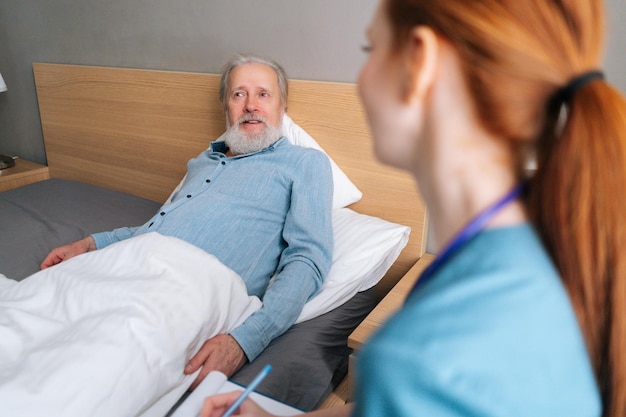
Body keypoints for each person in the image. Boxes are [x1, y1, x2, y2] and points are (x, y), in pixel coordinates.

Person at [201, 1, 625, 416]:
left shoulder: (425, 356)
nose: (363, 77)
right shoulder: (525, 254)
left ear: (418, 66)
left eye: (371, 51)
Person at [40, 54, 334, 391]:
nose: (251, 105)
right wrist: (91, 244)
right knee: (31, 322)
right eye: (239, 94)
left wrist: (246, 340)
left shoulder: (304, 163)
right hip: (125, 267)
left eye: (263, 94)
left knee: (77, 377)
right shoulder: (203, 162)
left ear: (282, 107)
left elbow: (308, 258)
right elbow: (155, 229)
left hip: (184, 288)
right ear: (226, 105)